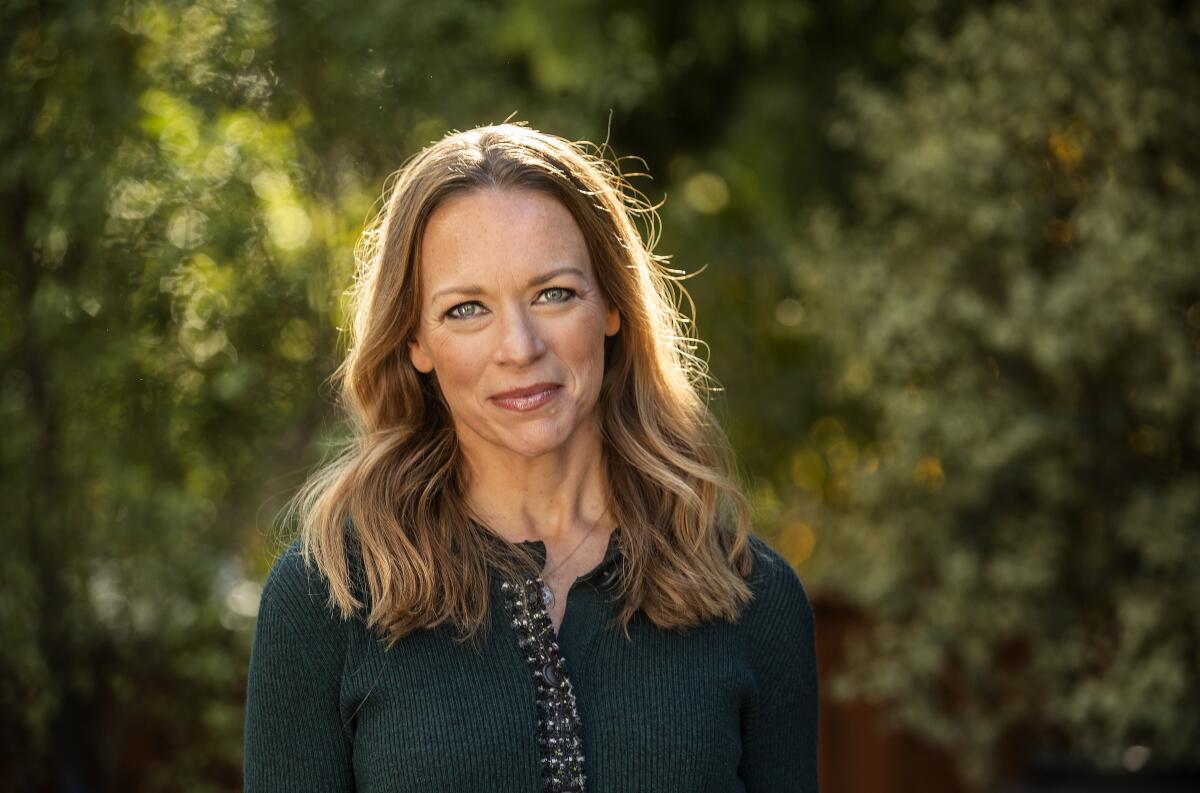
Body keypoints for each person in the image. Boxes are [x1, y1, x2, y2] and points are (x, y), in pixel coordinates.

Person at [243, 121, 819, 792]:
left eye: (554, 294)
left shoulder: (752, 597)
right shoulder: (327, 597)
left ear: (612, 306)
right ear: (415, 342)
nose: (518, 346)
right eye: (465, 309)